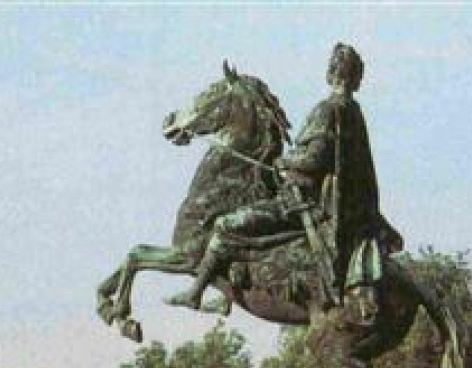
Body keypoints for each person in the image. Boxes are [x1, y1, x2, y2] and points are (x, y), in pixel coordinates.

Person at [167, 43, 401, 322]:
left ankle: (195, 292)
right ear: (356, 79)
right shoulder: (353, 111)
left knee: (225, 225)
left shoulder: (328, 110)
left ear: (331, 73)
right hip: (336, 207)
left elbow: (314, 158)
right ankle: (226, 293)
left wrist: (284, 162)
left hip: (304, 204)